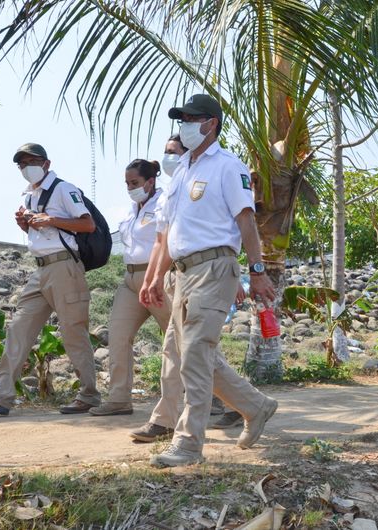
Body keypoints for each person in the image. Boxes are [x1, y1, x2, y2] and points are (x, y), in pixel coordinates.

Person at [140, 93, 278, 467]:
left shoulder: (227, 167)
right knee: (187, 353)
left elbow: (246, 220)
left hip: (215, 267)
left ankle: (188, 444)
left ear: (210, 123)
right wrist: (154, 277)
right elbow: (169, 234)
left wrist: (257, 270)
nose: (183, 125)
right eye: (180, 119)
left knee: (196, 354)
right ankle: (256, 406)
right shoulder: (181, 171)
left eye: (190, 118)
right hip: (182, 273)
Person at [0, 143, 100, 415]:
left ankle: (89, 395)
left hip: (64, 266)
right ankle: (0, 394)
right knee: (19, 328)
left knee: (73, 332)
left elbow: (87, 224)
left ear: (46, 163)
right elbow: (41, 230)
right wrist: (26, 224)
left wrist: (50, 220)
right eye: (22, 164)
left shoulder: (63, 189)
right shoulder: (29, 196)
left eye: (31, 162)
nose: (26, 168)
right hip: (41, 269)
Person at [88, 159, 171, 416]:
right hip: (131, 279)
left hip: (158, 276)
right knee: (118, 336)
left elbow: (167, 242)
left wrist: (157, 276)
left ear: (150, 181)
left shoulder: (165, 203)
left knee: (182, 338)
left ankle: (217, 397)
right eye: (127, 183)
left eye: (134, 183)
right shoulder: (130, 209)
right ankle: (119, 399)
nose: (130, 188)